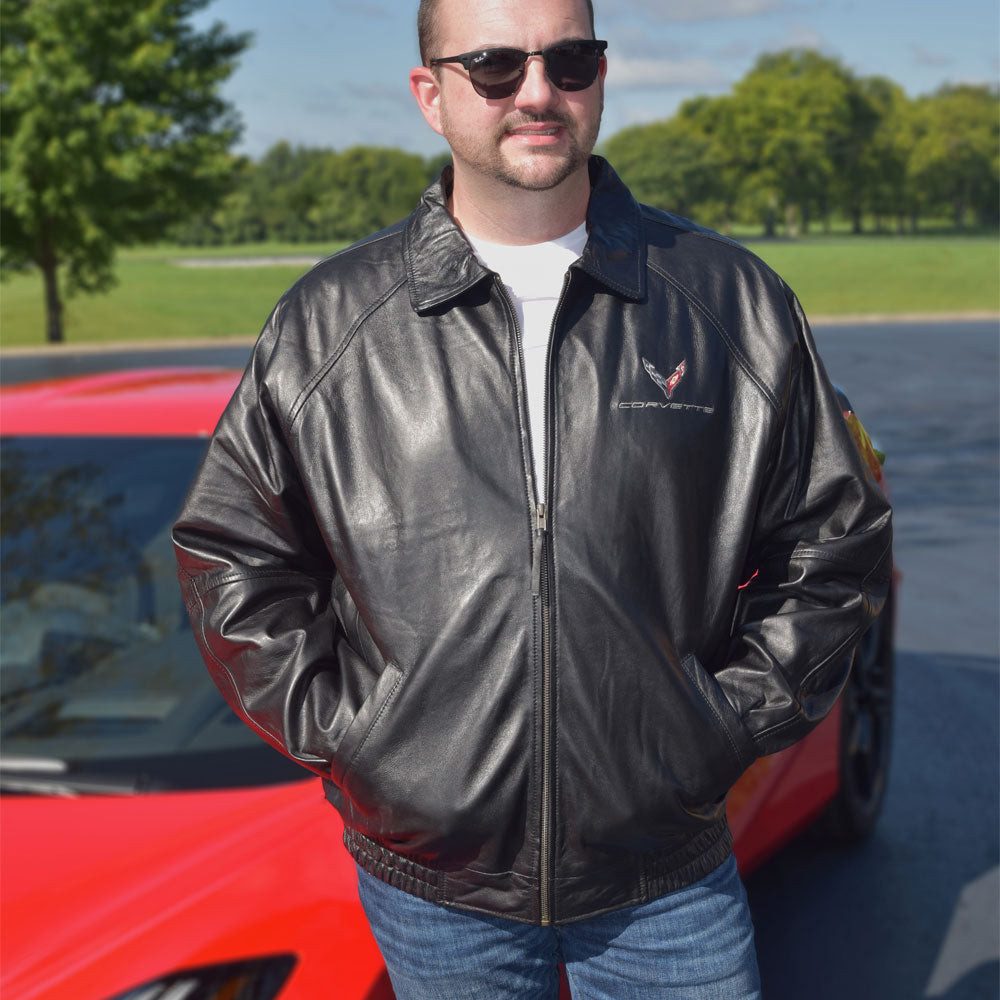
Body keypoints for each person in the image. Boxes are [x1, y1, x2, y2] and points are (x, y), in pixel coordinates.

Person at [172, 0, 893, 995]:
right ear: (431, 94)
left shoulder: (730, 303)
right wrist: (356, 738)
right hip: (433, 890)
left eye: (569, 58)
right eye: (496, 67)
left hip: (665, 880)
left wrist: (719, 725)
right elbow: (231, 551)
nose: (539, 92)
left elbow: (837, 539)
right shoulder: (330, 326)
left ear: (601, 71)